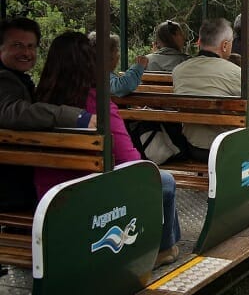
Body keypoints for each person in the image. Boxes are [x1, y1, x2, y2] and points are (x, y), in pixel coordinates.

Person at [34, 31, 180, 268]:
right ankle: (163, 249)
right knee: (163, 180)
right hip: (91, 195)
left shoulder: (37, 101)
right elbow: (132, 163)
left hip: (48, 197)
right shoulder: (97, 105)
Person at [0, 18, 96, 212]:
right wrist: (75, 117)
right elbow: (12, 111)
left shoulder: (19, 80)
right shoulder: (4, 79)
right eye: (17, 45)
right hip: (13, 192)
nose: (26, 53)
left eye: (31, 46)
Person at [172, 18, 249, 162]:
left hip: (193, 147)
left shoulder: (178, 71)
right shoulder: (236, 73)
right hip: (227, 149)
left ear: (199, 42)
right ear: (225, 45)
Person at [88, 31, 148, 97]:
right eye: (116, 51)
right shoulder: (100, 74)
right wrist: (139, 66)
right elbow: (123, 86)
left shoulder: (89, 73)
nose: (118, 55)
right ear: (108, 56)